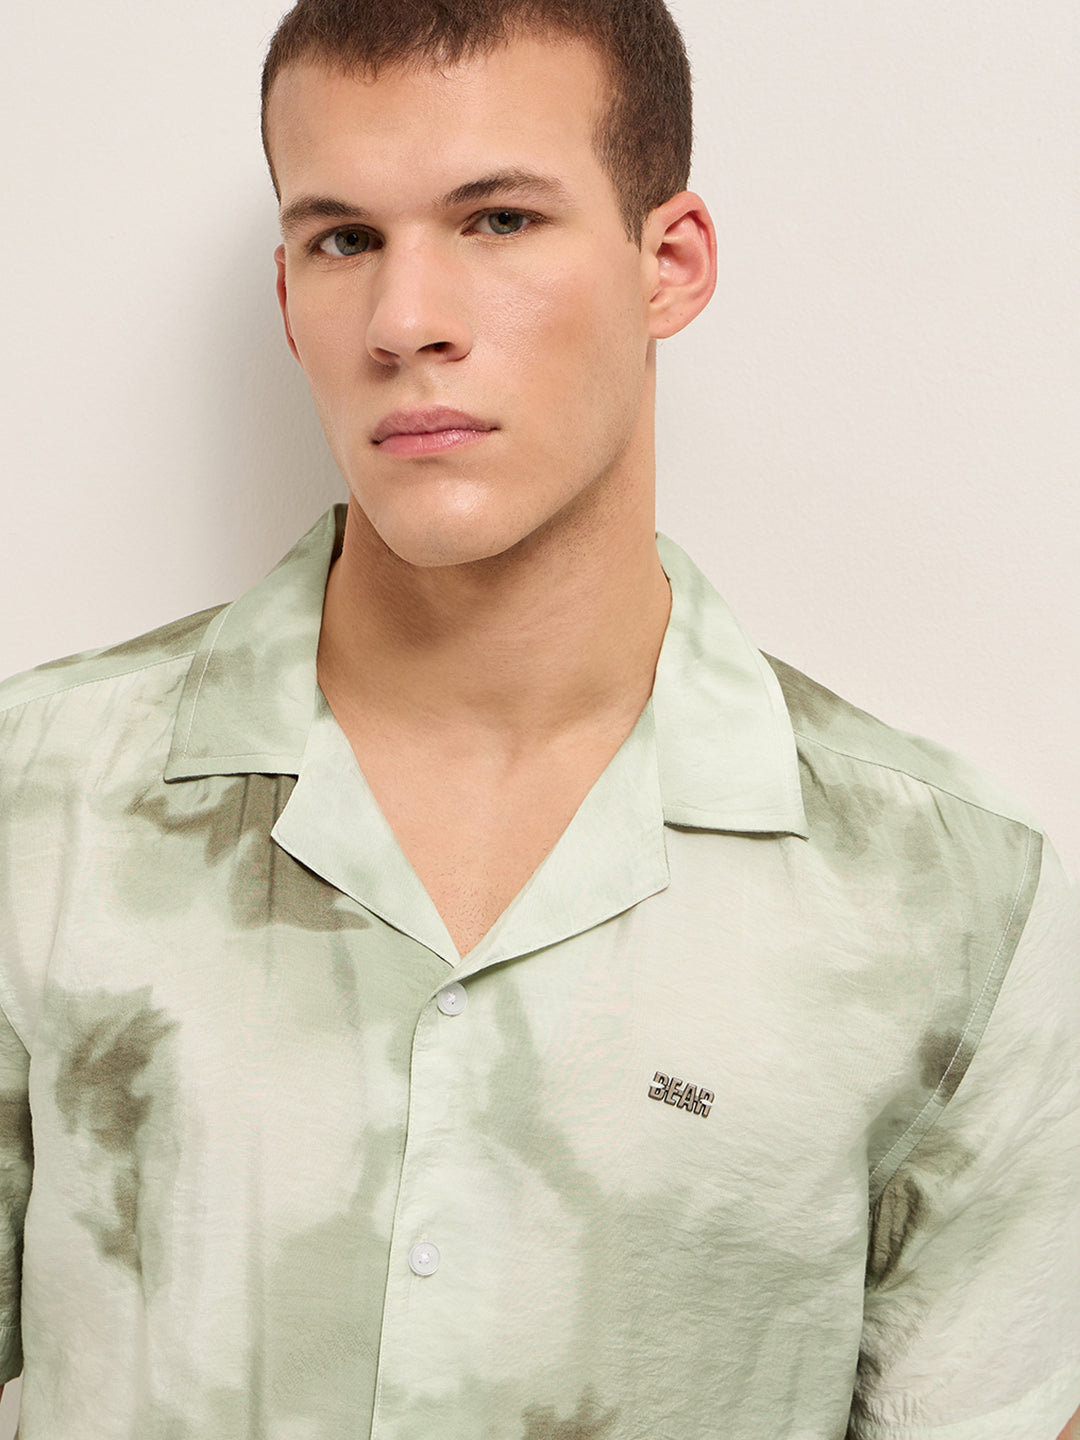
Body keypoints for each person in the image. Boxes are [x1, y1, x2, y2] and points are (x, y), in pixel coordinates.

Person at [0, 0, 1077, 1434]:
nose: (406, 322)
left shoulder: (956, 901)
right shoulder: (37, 803)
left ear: (668, 263)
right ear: (289, 298)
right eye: (344, 239)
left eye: (498, 221)